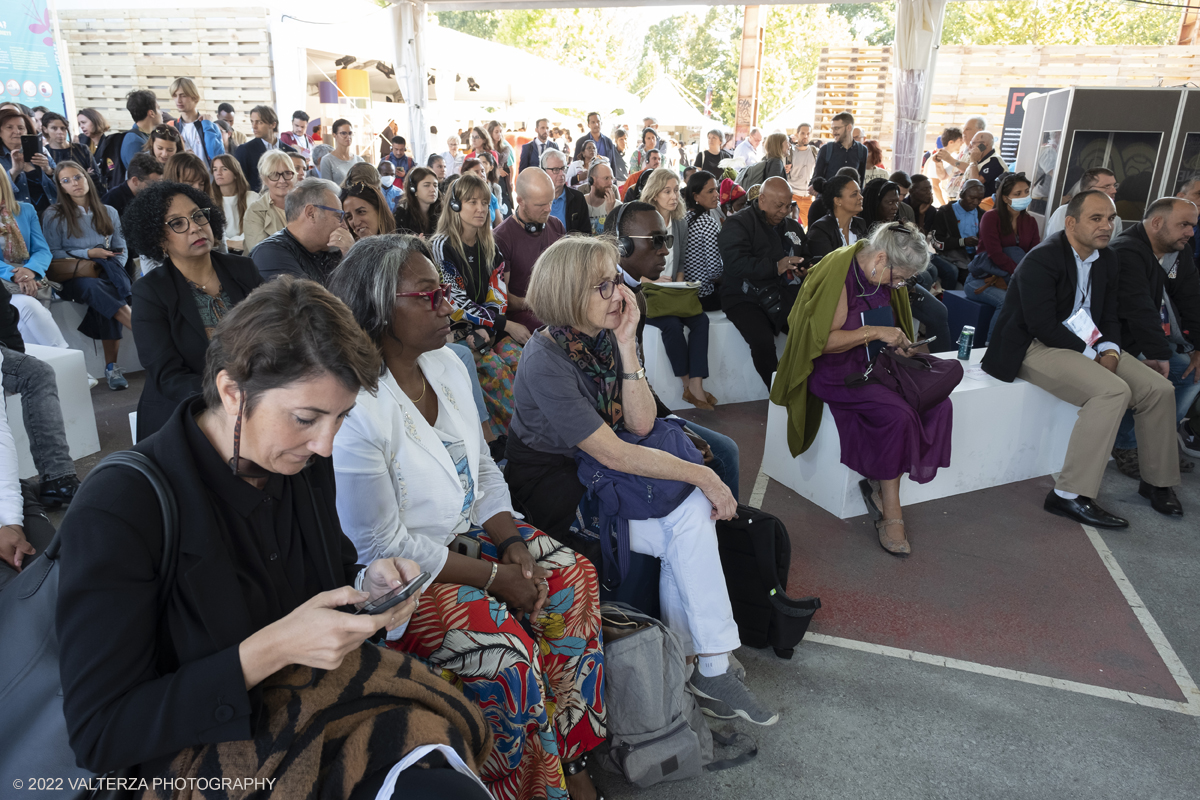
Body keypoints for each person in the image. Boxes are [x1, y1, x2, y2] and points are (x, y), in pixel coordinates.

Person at [58, 277, 492, 799]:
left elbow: (321, 591)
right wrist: (267, 650)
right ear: (231, 393)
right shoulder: (122, 506)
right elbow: (101, 734)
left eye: (342, 418)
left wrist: (366, 585)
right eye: (306, 418)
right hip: (194, 757)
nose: (327, 444)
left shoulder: (300, 464)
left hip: (314, 711)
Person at [328, 236, 605, 800]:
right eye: (427, 296)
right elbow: (379, 541)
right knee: (506, 660)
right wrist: (495, 578)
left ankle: (574, 755)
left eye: (444, 291)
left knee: (573, 577)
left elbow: (482, 466)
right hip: (404, 574)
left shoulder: (448, 366)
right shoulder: (355, 404)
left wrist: (512, 542)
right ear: (379, 307)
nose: (446, 306)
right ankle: (527, 787)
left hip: (472, 532)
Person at [504, 236, 777, 725]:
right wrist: (702, 475)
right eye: (604, 284)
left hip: (603, 461)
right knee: (692, 509)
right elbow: (612, 449)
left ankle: (698, 663)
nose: (620, 293)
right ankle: (702, 663)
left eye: (618, 280)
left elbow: (644, 425)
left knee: (691, 513)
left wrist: (629, 346)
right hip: (554, 477)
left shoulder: (608, 335)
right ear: (569, 293)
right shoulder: (545, 358)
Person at [982, 190, 1184, 525]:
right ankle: (1068, 494)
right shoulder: (1042, 259)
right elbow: (1041, 325)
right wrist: (1095, 355)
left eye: (1111, 218)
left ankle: (1157, 482)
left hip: (1086, 341)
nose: (1107, 226)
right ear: (1071, 222)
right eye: (1096, 218)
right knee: (1112, 391)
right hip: (1032, 345)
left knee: (1158, 390)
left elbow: (1109, 315)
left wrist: (1110, 349)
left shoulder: (1107, 258)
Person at [772, 221, 950, 555]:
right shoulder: (839, 274)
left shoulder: (878, 273)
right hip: (836, 371)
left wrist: (900, 343)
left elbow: (881, 324)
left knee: (936, 401)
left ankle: (880, 485)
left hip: (873, 362)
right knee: (897, 414)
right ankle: (890, 508)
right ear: (881, 258)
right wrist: (880, 334)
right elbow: (822, 342)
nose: (899, 285)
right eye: (899, 277)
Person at [126, 181, 262, 440]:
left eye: (198, 216)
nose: (196, 227)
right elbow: (168, 376)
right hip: (187, 412)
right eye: (178, 223)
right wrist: (233, 394)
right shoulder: (150, 291)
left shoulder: (244, 270)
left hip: (256, 400)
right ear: (158, 239)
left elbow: (274, 334)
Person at [1109, 197, 1200, 477]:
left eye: (1193, 226)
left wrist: (1198, 347)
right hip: (1119, 340)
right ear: (1157, 222)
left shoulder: (1179, 250)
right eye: (1184, 224)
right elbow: (1139, 311)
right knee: (1156, 377)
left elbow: (1191, 296)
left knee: (1191, 373)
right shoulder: (1127, 251)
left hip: (1153, 337)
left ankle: (1155, 442)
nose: (1191, 232)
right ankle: (1126, 444)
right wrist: (1159, 354)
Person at [430, 174, 524, 438]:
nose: (481, 209)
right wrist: (497, 325)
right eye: (472, 202)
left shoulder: (490, 247)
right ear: (456, 206)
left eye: (485, 202)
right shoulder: (442, 246)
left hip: (488, 330)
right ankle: (511, 440)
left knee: (520, 362)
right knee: (496, 373)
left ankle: (532, 432)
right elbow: (455, 302)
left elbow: (498, 295)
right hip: (456, 333)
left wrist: (492, 328)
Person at [614, 196, 715, 410]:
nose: (665, 250)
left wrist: (668, 418)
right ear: (624, 245)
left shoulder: (636, 294)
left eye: (666, 240)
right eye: (656, 241)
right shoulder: (606, 296)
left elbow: (638, 373)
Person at [41, 161, 132, 389]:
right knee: (94, 288)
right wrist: (88, 253)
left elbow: (121, 247)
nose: (74, 183)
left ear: (86, 178)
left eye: (77, 177)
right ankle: (141, 328)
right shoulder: (54, 214)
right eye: (66, 180)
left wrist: (113, 266)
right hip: (72, 277)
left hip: (106, 274)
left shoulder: (108, 211)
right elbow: (53, 253)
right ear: (60, 187)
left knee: (103, 294)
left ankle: (111, 369)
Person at [718, 177, 808, 387]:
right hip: (744, 297)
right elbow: (735, 264)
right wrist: (776, 266)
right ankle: (778, 393)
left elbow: (805, 254)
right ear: (762, 199)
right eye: (779, 205)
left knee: (811, 330)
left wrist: (805, 268)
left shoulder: (793, 227)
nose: (784, 211)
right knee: (762, 341)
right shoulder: (738, 223)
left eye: (788, 205)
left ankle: (810, 387)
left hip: (784, 294)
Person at [860, 179, 953, 352]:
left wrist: (904, 279)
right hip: (876, 287)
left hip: (900, 283)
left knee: (940, 312)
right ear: (875, 202)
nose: (895, 207)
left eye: (897, 202)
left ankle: (942, 364)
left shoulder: (897, 226)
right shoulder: (860, 227)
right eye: (889, 202)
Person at [966, 173, 1039, 341]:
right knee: (1006, 301)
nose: (1024, 196)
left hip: (1013, 280)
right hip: (982, 279)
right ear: (1006, 198)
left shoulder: (1030, 222)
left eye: (1026, 192)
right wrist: (1020, 275)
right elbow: (995, 254)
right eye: (1018, 194)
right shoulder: (991, 217)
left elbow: (1033, 255)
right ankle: (990, 345)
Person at [495, 167, 562, 332]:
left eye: (551, 201)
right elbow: (502, 298)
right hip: (523, 315)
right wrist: (535, 303)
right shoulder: (502, 237)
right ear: (520, 201)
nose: (549, 209)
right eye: (540, 205)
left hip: (557, 308)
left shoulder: (556, 225)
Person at [251, 178, 351, 283]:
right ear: (311, 213)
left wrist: (350, 253)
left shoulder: (336, 249)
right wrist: (351, 258)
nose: (344, 225)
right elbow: (306, 297)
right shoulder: (269, 253)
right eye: (338, 216)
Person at [681, 171, 725, 312]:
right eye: (710, 191)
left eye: (716, 190)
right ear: (695, 196)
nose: (716, 195)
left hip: (686, 293)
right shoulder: (707, 223)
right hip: (704, 295)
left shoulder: (684, 218)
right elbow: (714, 272)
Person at [1, 108, 57, 216]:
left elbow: (63, 185)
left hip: (53, 216)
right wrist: (14, 172)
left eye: (21, 128)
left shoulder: (41, 152)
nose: (17, 132)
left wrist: (48, 170)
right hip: (19, 220)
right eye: (9, 127)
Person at [243, 150, 296, 252]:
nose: (282, 180)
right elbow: (262, 254)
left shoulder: (307, 205)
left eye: (287, 173)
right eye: (274, 175)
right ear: (264, 179)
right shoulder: (254, 212)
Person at [1044, 168, 1122, 238]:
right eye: (1107, 186)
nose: (1114, 191)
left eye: (1114, 185)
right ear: (1088, 190)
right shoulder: (1064, 212)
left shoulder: (1116, 219)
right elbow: (1055, 247)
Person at [641, 168, 689, 281]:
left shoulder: (681, 224)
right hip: (646, 290)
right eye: (667, 192)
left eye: (676, 190)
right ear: (654, 195)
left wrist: (678, 288)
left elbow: (681, 263)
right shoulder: (641, 223)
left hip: (671, 291)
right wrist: (653, 283)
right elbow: (630, 267)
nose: (674, 196)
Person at [807, 175, 867, 263]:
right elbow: (828, 267)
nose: (861, 197)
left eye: (860, 193)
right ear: (837, 201)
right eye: (854, 194)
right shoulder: (820, 230)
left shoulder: (860, 224)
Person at [167, 77, 225, 166]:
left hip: (208, 178)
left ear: (194, 97)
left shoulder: (209, 125)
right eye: (175, 95)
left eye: (183, 95)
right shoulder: (172, 127)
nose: (178, 100)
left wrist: (208, 126)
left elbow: (217, 157)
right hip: (181, 178)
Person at [933, 178, 985, 275]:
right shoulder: (945, 212)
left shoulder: (982, 215)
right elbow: (936, 242)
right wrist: (962, 242)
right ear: (962, 194)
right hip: (951, 256)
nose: (976, 202)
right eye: (972, 198)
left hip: (975, 257)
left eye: (979, 199)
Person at [210, 154, 258, 254]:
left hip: (249, 251)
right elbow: (213, 236)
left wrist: (230, 243)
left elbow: (255, 230)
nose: (218, 173)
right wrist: (231, 244)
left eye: (224, 169)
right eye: (215, 169)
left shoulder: (252, 197)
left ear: (236, 173)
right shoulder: (209, 201)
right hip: (221, 253)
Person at [234, 105, 285, 193]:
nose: (254, 126)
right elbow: (239, 183)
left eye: (259, 122)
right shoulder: (244, 150)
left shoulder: (289, 151)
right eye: (252, 122)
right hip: (257, 202)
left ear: (273, 124)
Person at [101, 151, 162, 220]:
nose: (157, 188)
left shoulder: (152, 197)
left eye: (159, 183)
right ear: (135, 181)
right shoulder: (111, 200)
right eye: (152, 184)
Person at [812, 112, 867, 186]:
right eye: (832, 129)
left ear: (849, 127)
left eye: (837, 128)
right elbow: (816, 178)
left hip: (850, 196)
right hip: (828, 196)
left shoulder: (862, 150)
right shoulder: (826, 149)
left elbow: (860, 181)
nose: (833, 132)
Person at [543, 149, 590, 235]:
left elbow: (586, 234)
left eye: (563, 168)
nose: (561, 174)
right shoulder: (535, 200)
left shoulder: (578, 198)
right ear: (543, 172)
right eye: (556, 170)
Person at [41, 112, 96, 181]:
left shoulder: (81, 149)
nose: (60, 132)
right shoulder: (45, 153)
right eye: (54, 128)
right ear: (45, 129)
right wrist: (84, 175)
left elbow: (95, 175)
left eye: (63, 128)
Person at [118, 89, 161, 169]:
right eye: (158, 108)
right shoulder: (134, 141)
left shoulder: (145, 135)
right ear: (151, 113)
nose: (161, 113)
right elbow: (142, 176)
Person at [394, 166, 442, 236]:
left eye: (435, 185)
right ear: (413, 189)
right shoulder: (401, 216)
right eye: (426, 185)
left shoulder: (441, 211)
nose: (433, 189)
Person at [320, 119, 365, 187]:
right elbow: (327, 189)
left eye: (350, 133)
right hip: (337, 197)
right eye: (343, 133)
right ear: (334, 135)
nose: (348, 136)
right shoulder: (327, 160)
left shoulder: (359, 160)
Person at [787, 123, 817, 222]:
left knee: (810, 226)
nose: (805, 136)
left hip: (808, 197)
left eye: (808, 133)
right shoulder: (790, 152)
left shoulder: (815, 152)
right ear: (797, 134)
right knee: (789, 226)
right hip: (792, 195)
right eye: (803, 133)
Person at [964, 131, 1007, 198]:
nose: (970, 146)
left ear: (983, 145)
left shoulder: (994, 161)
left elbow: (974, 184)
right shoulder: (980, 160)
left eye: (973, 143)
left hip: (986, 204)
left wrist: (973, 161)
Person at [927, 126, 963, 206]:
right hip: (938, 203)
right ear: (951, 142)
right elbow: (935, 186)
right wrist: (944, 205)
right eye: (960, 140)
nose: (962, 143)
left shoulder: (954, 157)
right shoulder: (937, 158)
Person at [582, 162, 619, 234]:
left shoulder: (617, 206)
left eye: (611, 178)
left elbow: (618, 237)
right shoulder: (580, 203)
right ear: (592, 180)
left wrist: (611, 212)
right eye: (606, 178)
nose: (611, 183)